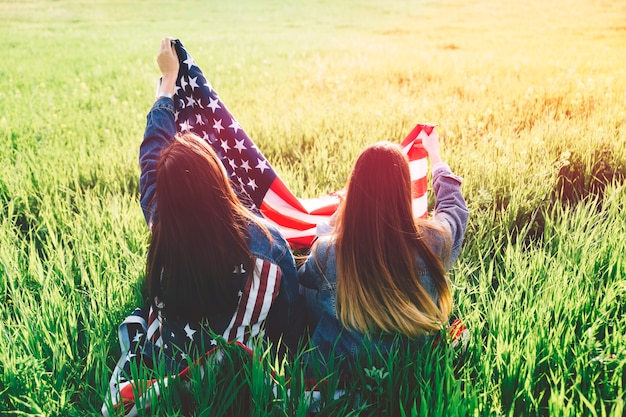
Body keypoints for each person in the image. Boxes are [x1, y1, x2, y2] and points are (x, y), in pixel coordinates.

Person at [138, 37, 304, 365]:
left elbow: (151, 153)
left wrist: (168, 83)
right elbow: (289, 326)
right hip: (240, 373)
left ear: (163, 193)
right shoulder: (268, 244)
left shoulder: (161, 220)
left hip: (170, 366)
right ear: (220, 180)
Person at [298, 135, 469, 375]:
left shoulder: (328, 251)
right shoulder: (434, 240)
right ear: (404, 190)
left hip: (343, 363)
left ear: (355, 192)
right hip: (413, 357)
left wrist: (331, 226)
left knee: (311, 285)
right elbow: (454, 210)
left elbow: (306, 277)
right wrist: (437, 158)